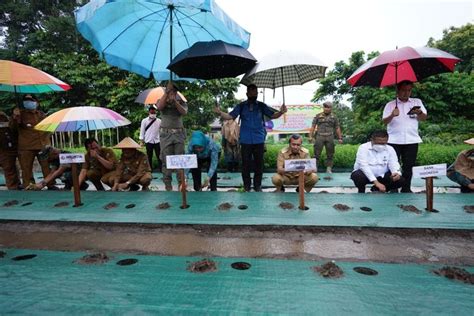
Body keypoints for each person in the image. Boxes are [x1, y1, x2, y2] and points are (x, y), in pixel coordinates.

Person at [215, 84, 287, 192]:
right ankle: (247, 186)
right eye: (252, 92)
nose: (254, 94)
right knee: (245, 164)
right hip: (245, 140)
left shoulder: (262, 106)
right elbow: (230, 116)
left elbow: (273, 116)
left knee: (259, 164)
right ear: (247, 93)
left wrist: (281, 112)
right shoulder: (241, 106)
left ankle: (258, 186)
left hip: (259, 139)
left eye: (256, 92)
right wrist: (220, 112)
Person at [383, 80, 427, 193]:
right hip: (394, 140)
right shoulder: (390, 104)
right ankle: (393, 187)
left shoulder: (416, 102)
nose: (406, 93)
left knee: (409, 166)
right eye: (403, 90)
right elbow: (384, 121)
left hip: (412, 139)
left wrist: (419, 113)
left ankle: (406, 188)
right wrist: (392, 115)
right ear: (397, 90)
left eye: (409, 90)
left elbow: (424, 118)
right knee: (393, 166)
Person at [10, 94, 52, 188]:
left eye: (30, 99)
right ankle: (28, 185)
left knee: (46, 166)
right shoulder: (19, 114)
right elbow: (12, 129)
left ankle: (50, 184)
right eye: (26, 100)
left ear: (37, 103)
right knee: (26, 168)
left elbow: (49, 129)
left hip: (42, 145)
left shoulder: (41, 114)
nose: (28, 101)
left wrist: (47, 142)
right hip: (26, 146)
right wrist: (15, 118)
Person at [156, 81, 187, 191]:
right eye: (169, 91)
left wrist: (175, 102)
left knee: (180, 159)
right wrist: (166, 94)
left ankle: (181, 184)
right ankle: (168, 184)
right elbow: (159, 107)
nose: (171, 93)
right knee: (166, 160)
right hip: (166, 134)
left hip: (178, 133)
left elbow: (184, 112)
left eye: (173, 91)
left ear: (176, 92)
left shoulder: (181, 101)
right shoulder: (161, 100)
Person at [309, 101, 343, 173]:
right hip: (319, 136)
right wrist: (310, 136)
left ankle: (329, 168)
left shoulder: (334, 117)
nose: (326, 109)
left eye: (328, 107)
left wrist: (340, 138)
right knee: (316, 154)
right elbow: (313, 127)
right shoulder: (318, 116)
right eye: (325, 107)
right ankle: (314, 168)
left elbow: (337, 128)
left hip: (330, 136)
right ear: (323, 108)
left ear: (331, 108)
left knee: (330, 154)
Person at [0, 111, 21, 190]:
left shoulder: (7, 122)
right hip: (4, 149)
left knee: (10, 168)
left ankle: (14, 186)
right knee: (10, 168)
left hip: (7, 148)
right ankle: (13, 186)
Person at [139, 105, 162, 172]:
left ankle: (161, 169)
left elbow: (161, 131)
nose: (153, 113)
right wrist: (141, 141)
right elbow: (142, 131)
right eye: (151, 112)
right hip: (148, 140)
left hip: (157, 140)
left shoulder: (159, 121)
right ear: (149, 112)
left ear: (156, 112)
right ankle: (149, 169)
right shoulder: (144, 121)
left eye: (154, 112)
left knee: (159, 156)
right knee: (149, 156)